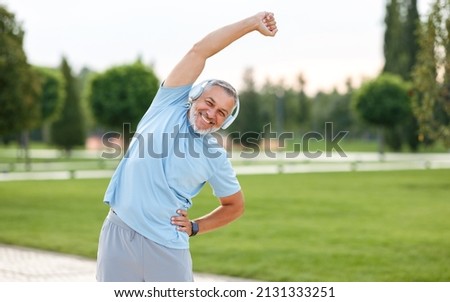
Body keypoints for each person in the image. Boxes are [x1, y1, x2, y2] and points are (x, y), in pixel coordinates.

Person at [96, 11, 278, 282]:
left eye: (222, 112)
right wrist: (251, 24)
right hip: (118, 234)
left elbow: (234, 205)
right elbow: (200, 51)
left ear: (226, 121)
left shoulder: (214, 154)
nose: (212, 113)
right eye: (210, 102)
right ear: (194, 96)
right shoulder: (167, 104)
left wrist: (195, 227)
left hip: (167, 248)